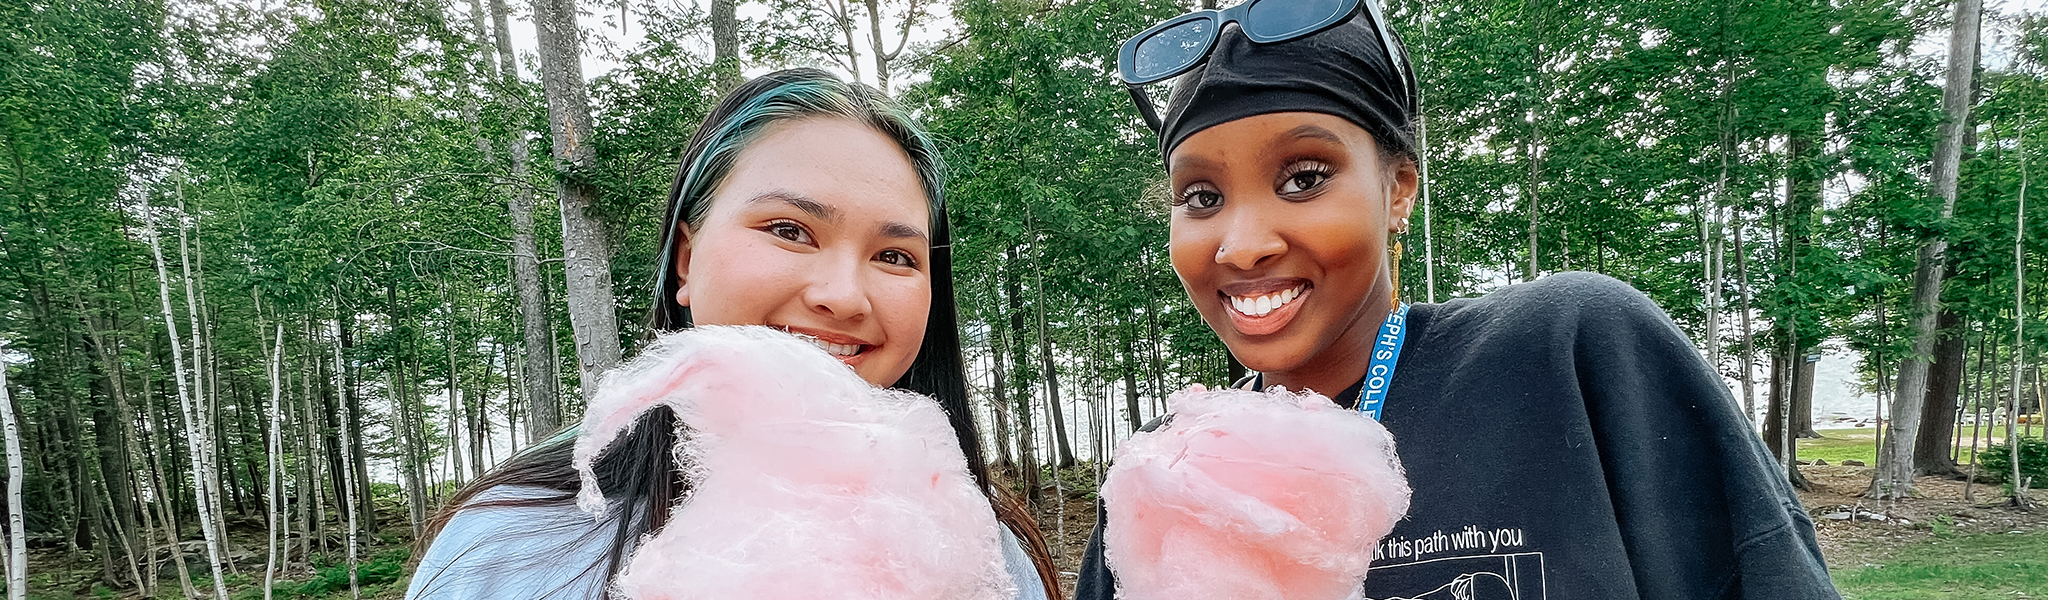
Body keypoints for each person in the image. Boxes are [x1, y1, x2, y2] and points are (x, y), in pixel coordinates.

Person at [1075, 3, 1840, 599]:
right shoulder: (1168, 468)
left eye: (1303, 178)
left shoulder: (1567, 353)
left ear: (1398, 186)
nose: (1241, 245)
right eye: (1201, 196)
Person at [405, 68, 1061, 600]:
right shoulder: (508, 549)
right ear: (685, 261)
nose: (842, 295)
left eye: (895, 256)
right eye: (789, 230)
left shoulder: (979, 548)